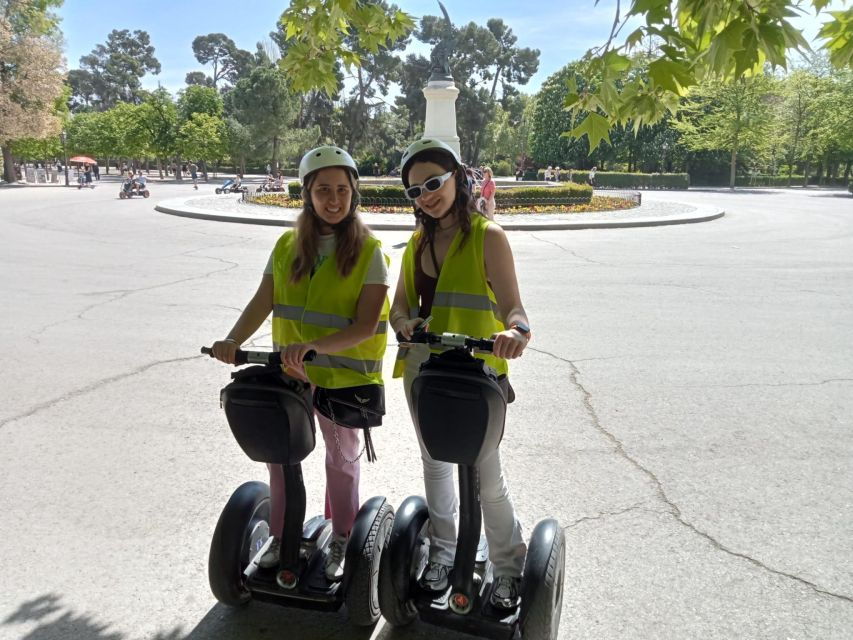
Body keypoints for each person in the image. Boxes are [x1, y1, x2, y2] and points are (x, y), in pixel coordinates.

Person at [209, 146, 390, 581]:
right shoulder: (287, 245)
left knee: (340, 461)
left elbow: (367, 324)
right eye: (323, 189)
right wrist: (233, 340)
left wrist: (313, 346)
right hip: (289, 376)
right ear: (307, 192)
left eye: (342, 190)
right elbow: (263, 300)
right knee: (281, 458)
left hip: (343, 378)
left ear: (354, 194)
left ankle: (343, 535)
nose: (334, 199)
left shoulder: (369, 251)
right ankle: (281, 535)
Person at [390, 138, 530, 609]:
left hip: (476, 372)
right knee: (434, 464)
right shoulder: (417, 243)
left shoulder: (489, 237)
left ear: (457, 178)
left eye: (433, 183)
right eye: (415, 191)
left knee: (486, 475)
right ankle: (443, 555)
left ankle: (508, 567)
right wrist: (404, 324)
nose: (426, 196)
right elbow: (399, 308)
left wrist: (517, 331)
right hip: (425, 372)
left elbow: (513, 307)